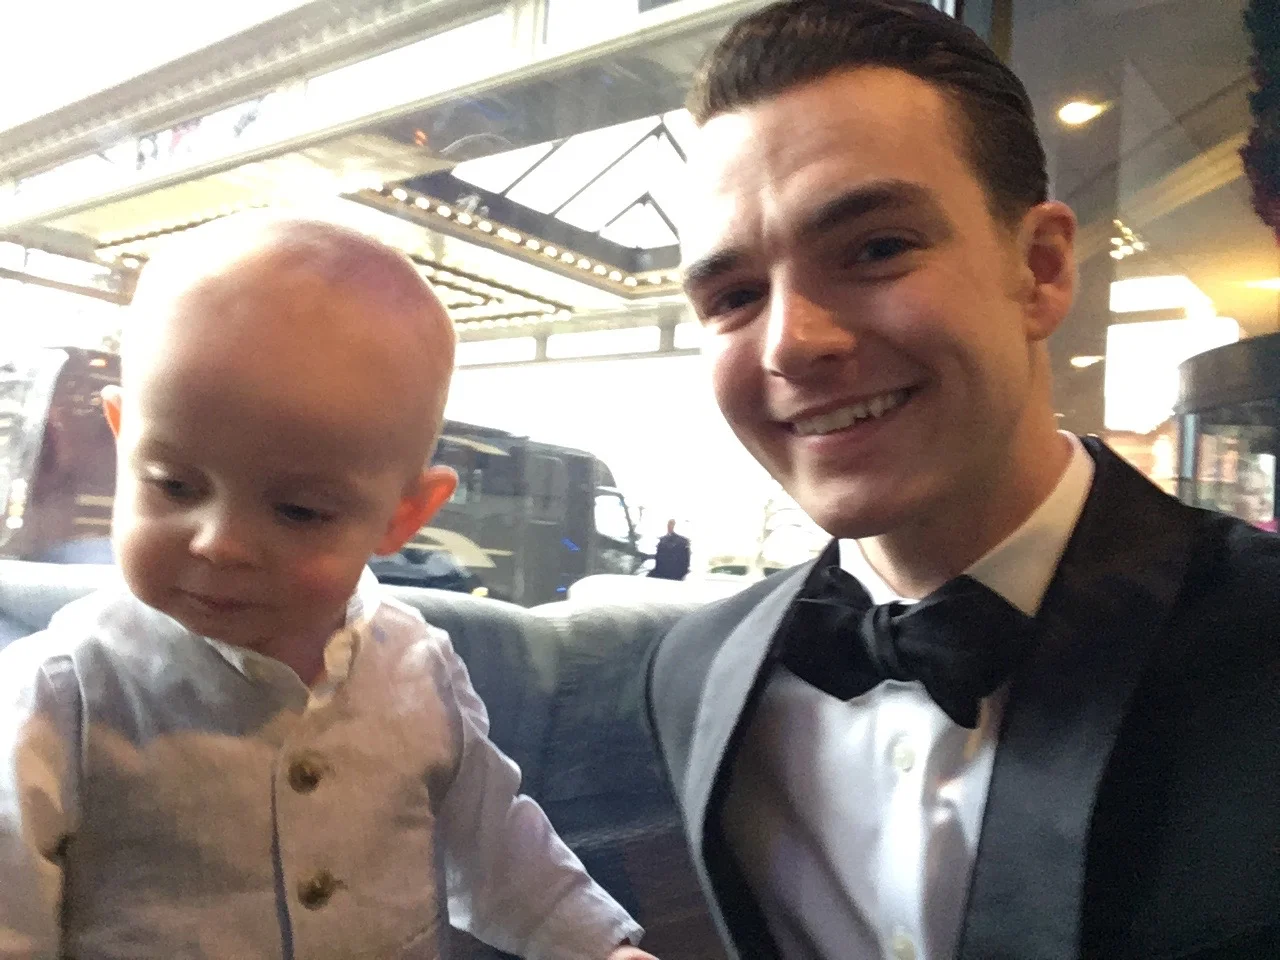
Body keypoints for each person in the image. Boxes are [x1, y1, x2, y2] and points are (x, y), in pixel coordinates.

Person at [645, 2, 1280, 959]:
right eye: (734, 296)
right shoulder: (695, 673)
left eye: (876, 248)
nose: (790, 344)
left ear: (1041, 270)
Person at [0, 215, 657, 960]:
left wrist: (600, 947)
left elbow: (496, 847)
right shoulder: (63, 692)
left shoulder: (419, 666)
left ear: (404, 516)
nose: (218, 542)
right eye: (174, 484)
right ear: (123, 441)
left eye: (298, 510)